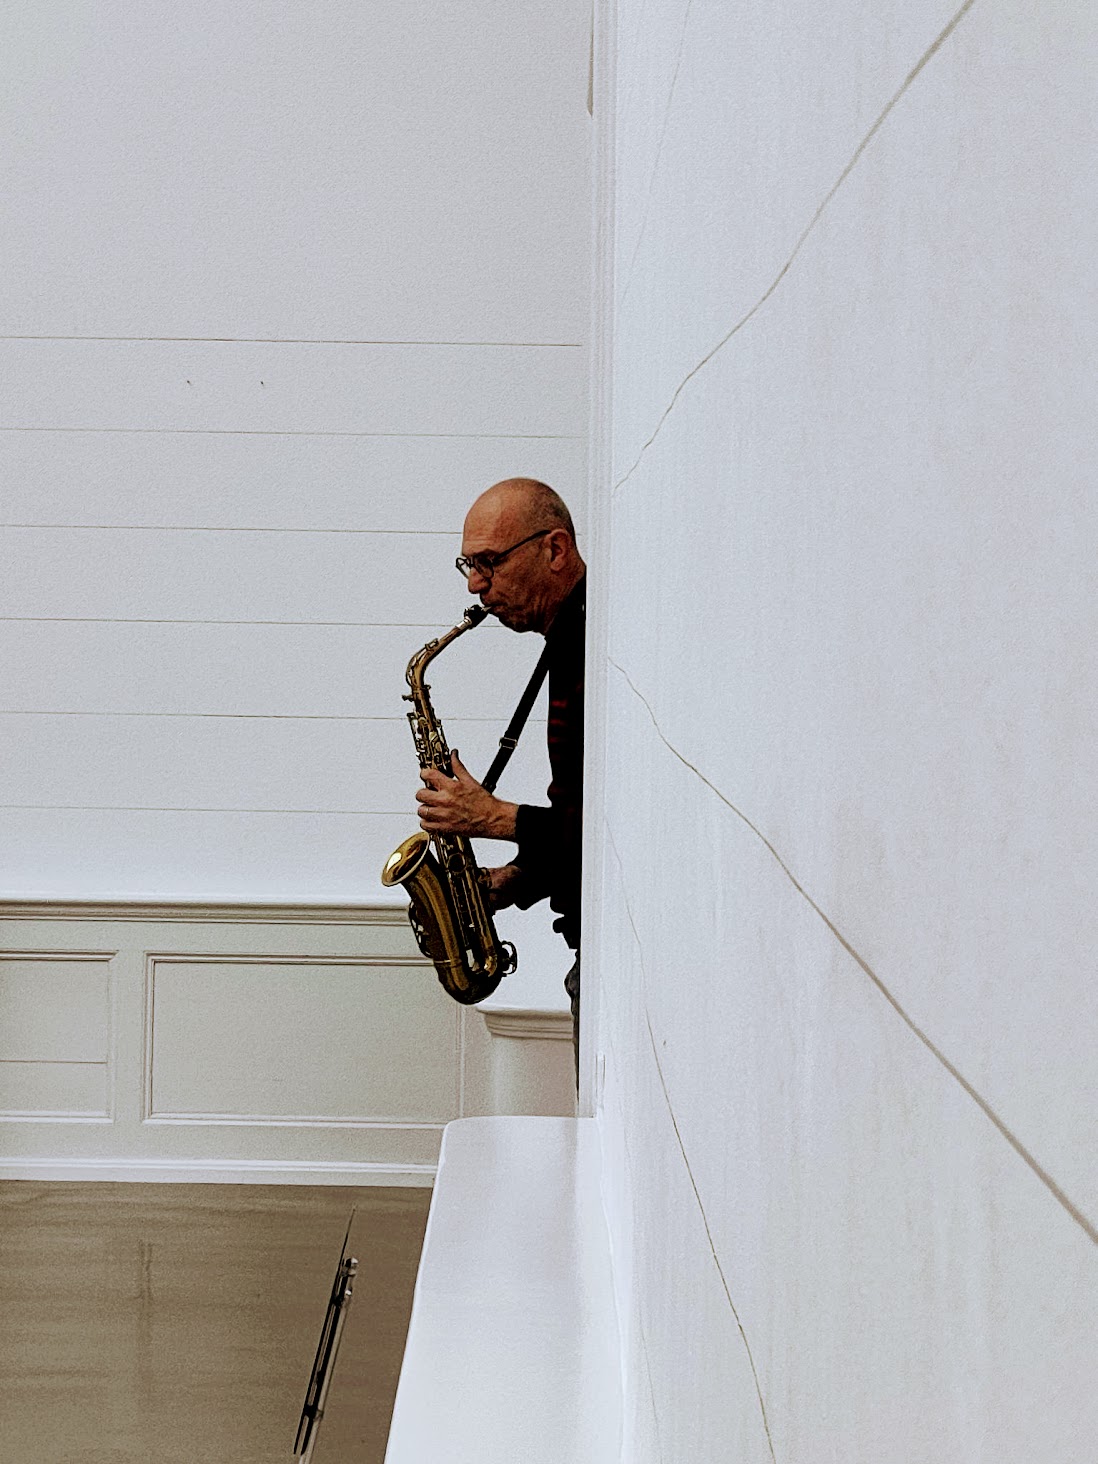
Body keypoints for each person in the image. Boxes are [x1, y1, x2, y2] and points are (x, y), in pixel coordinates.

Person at [415, 478, 586, 1081]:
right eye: (468, 564)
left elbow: (617, 830)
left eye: (489, 562)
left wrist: (493, 818)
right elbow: (580, 819)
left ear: (555, 549)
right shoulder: (566, 642)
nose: (474, 585)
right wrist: (516, 879)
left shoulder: (595, 646)